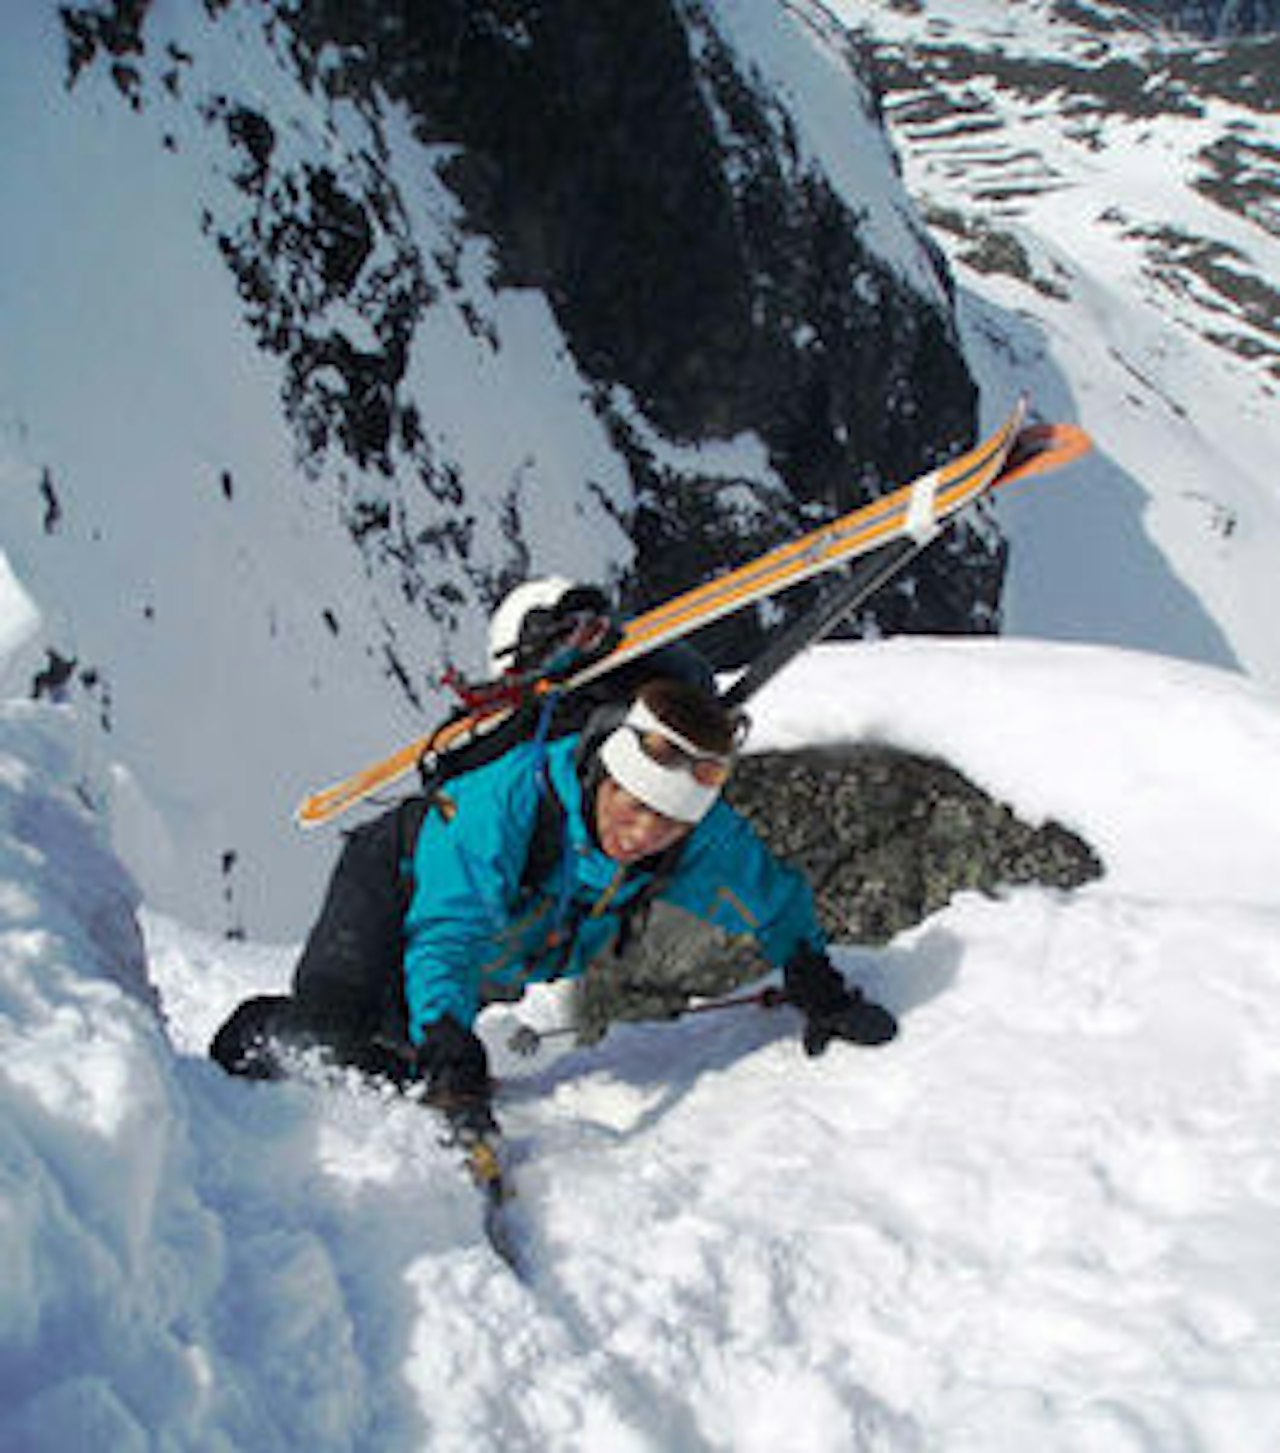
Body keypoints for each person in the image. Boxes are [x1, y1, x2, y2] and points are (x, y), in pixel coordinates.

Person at [211, 614, 896, 1139]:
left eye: (668, 824)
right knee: (329, 1042)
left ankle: (416, 1051)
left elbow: (771, 899)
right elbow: (449, 933)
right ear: (603, 773)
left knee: (399, 1068)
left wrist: (816, 982)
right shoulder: (507, 803)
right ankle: (251, 1032)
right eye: (633, 807)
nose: (644, 834)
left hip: (502, 944)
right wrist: (451, 1041)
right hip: (395, 882)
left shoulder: (688, 833)